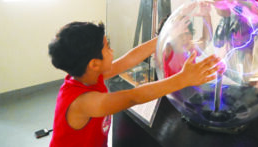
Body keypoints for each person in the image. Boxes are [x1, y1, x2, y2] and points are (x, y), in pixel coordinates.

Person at [48, 21, 220, 147]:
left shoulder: (88, 75)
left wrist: (165, 37)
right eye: (107, 48)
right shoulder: (85, 102)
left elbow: (130, 58)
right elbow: (133, 97)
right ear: (94, 63)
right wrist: (183, 79)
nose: (112, 51)